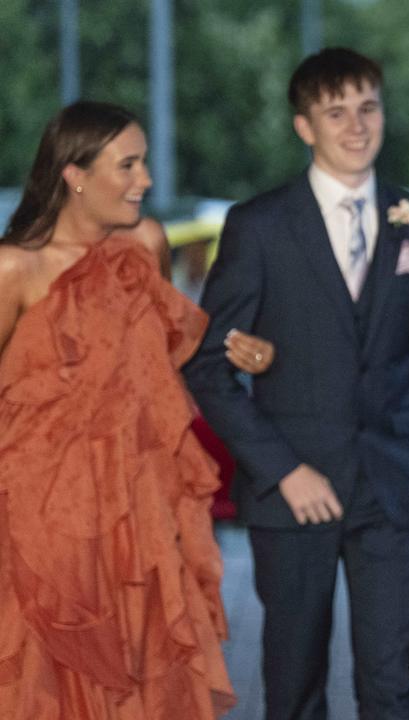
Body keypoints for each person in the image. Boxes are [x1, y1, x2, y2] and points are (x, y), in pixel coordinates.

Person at [182, 47, 409, 720]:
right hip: (293, 495)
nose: (356, 125)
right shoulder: (257, 225)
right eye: (334, 111)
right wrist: (283, 471)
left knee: (393, 685)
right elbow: (208, 367)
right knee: (293, 685)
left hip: (393, 494)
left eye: (367, 107)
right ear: (304, 127)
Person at [0, 101, 235, 719]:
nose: (146, 181)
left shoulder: (145, 244)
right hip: (41, 533)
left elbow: (157, 373)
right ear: (73, 174)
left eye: (144, 163)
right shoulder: (12, 269)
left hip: (143, 523)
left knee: (147, 687)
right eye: (127, 165)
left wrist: (244, 352)